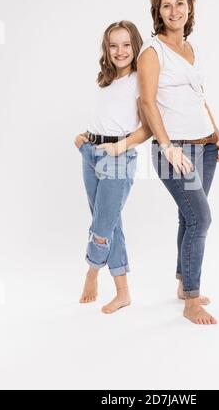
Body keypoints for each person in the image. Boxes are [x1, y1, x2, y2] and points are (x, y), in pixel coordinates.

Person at [137, 0, 219, 325]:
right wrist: (167, 146)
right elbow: (147, 103)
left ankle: (182, 283)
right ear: (158, 12)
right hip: (175, 151)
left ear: (189, 7)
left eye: (179, 3)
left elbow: (199, 96)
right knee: (200, 219)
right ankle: (192, 299)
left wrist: (217, 135)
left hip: (204, 147)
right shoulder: (152, 51)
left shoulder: (193, 49)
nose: (173, 11)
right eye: (166, 5)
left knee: (188, 217)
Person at [75, 21, 151, 314]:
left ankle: (92, 273)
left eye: (126, 45)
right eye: (113, 45)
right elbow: (106, 117)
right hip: (90, 152)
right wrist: (84, 138)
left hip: (119, 156)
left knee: (103, 225)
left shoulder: (139, 80)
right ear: (106, 48)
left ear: (135, 46)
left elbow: (148, 129)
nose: (120, 51)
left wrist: (119, 147)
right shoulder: (104, 80)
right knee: (110, 220)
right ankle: (123, 293)